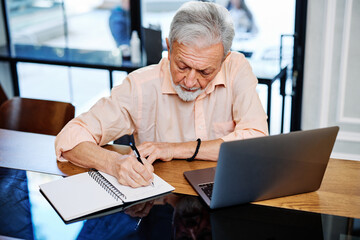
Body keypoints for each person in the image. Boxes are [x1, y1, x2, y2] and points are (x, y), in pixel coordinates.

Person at [55, 1, 268, 188]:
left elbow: (256, 142)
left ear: (224, 59)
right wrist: (114, 163)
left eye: (205, 71)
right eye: (182, 66)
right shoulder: (140, 85)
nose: (191, 81)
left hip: (226, 192)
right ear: (169, 47)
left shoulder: (236, 68)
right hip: (161, 199)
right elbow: (70, 137)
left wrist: (174, 149)